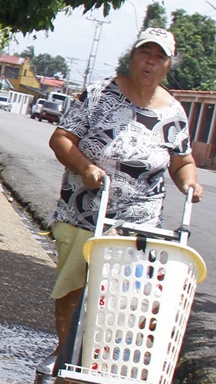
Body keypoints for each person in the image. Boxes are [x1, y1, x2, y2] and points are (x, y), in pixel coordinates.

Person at [47, 25, 204, 351]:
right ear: (132, 56)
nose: (150, 62)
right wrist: (86, 167)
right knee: (72, 290)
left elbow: (182, 162)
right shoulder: (99, 95)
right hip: (83, 214)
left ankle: (99, 362)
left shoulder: (174, 113)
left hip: (137, 225)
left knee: (126, 296)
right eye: (145, 52)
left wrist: (190, 183)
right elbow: (61, 139)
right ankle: (65, 357)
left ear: (168, 66)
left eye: (159, 57)